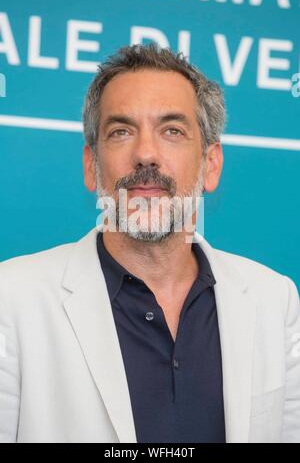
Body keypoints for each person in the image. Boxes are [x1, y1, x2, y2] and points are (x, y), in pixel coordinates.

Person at [0, 44, 299, 443]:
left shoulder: (274, 300)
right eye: (121, 131)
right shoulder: (11, 298)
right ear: (91, 165)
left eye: (172, 131)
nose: (145, 154)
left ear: (210, 165)